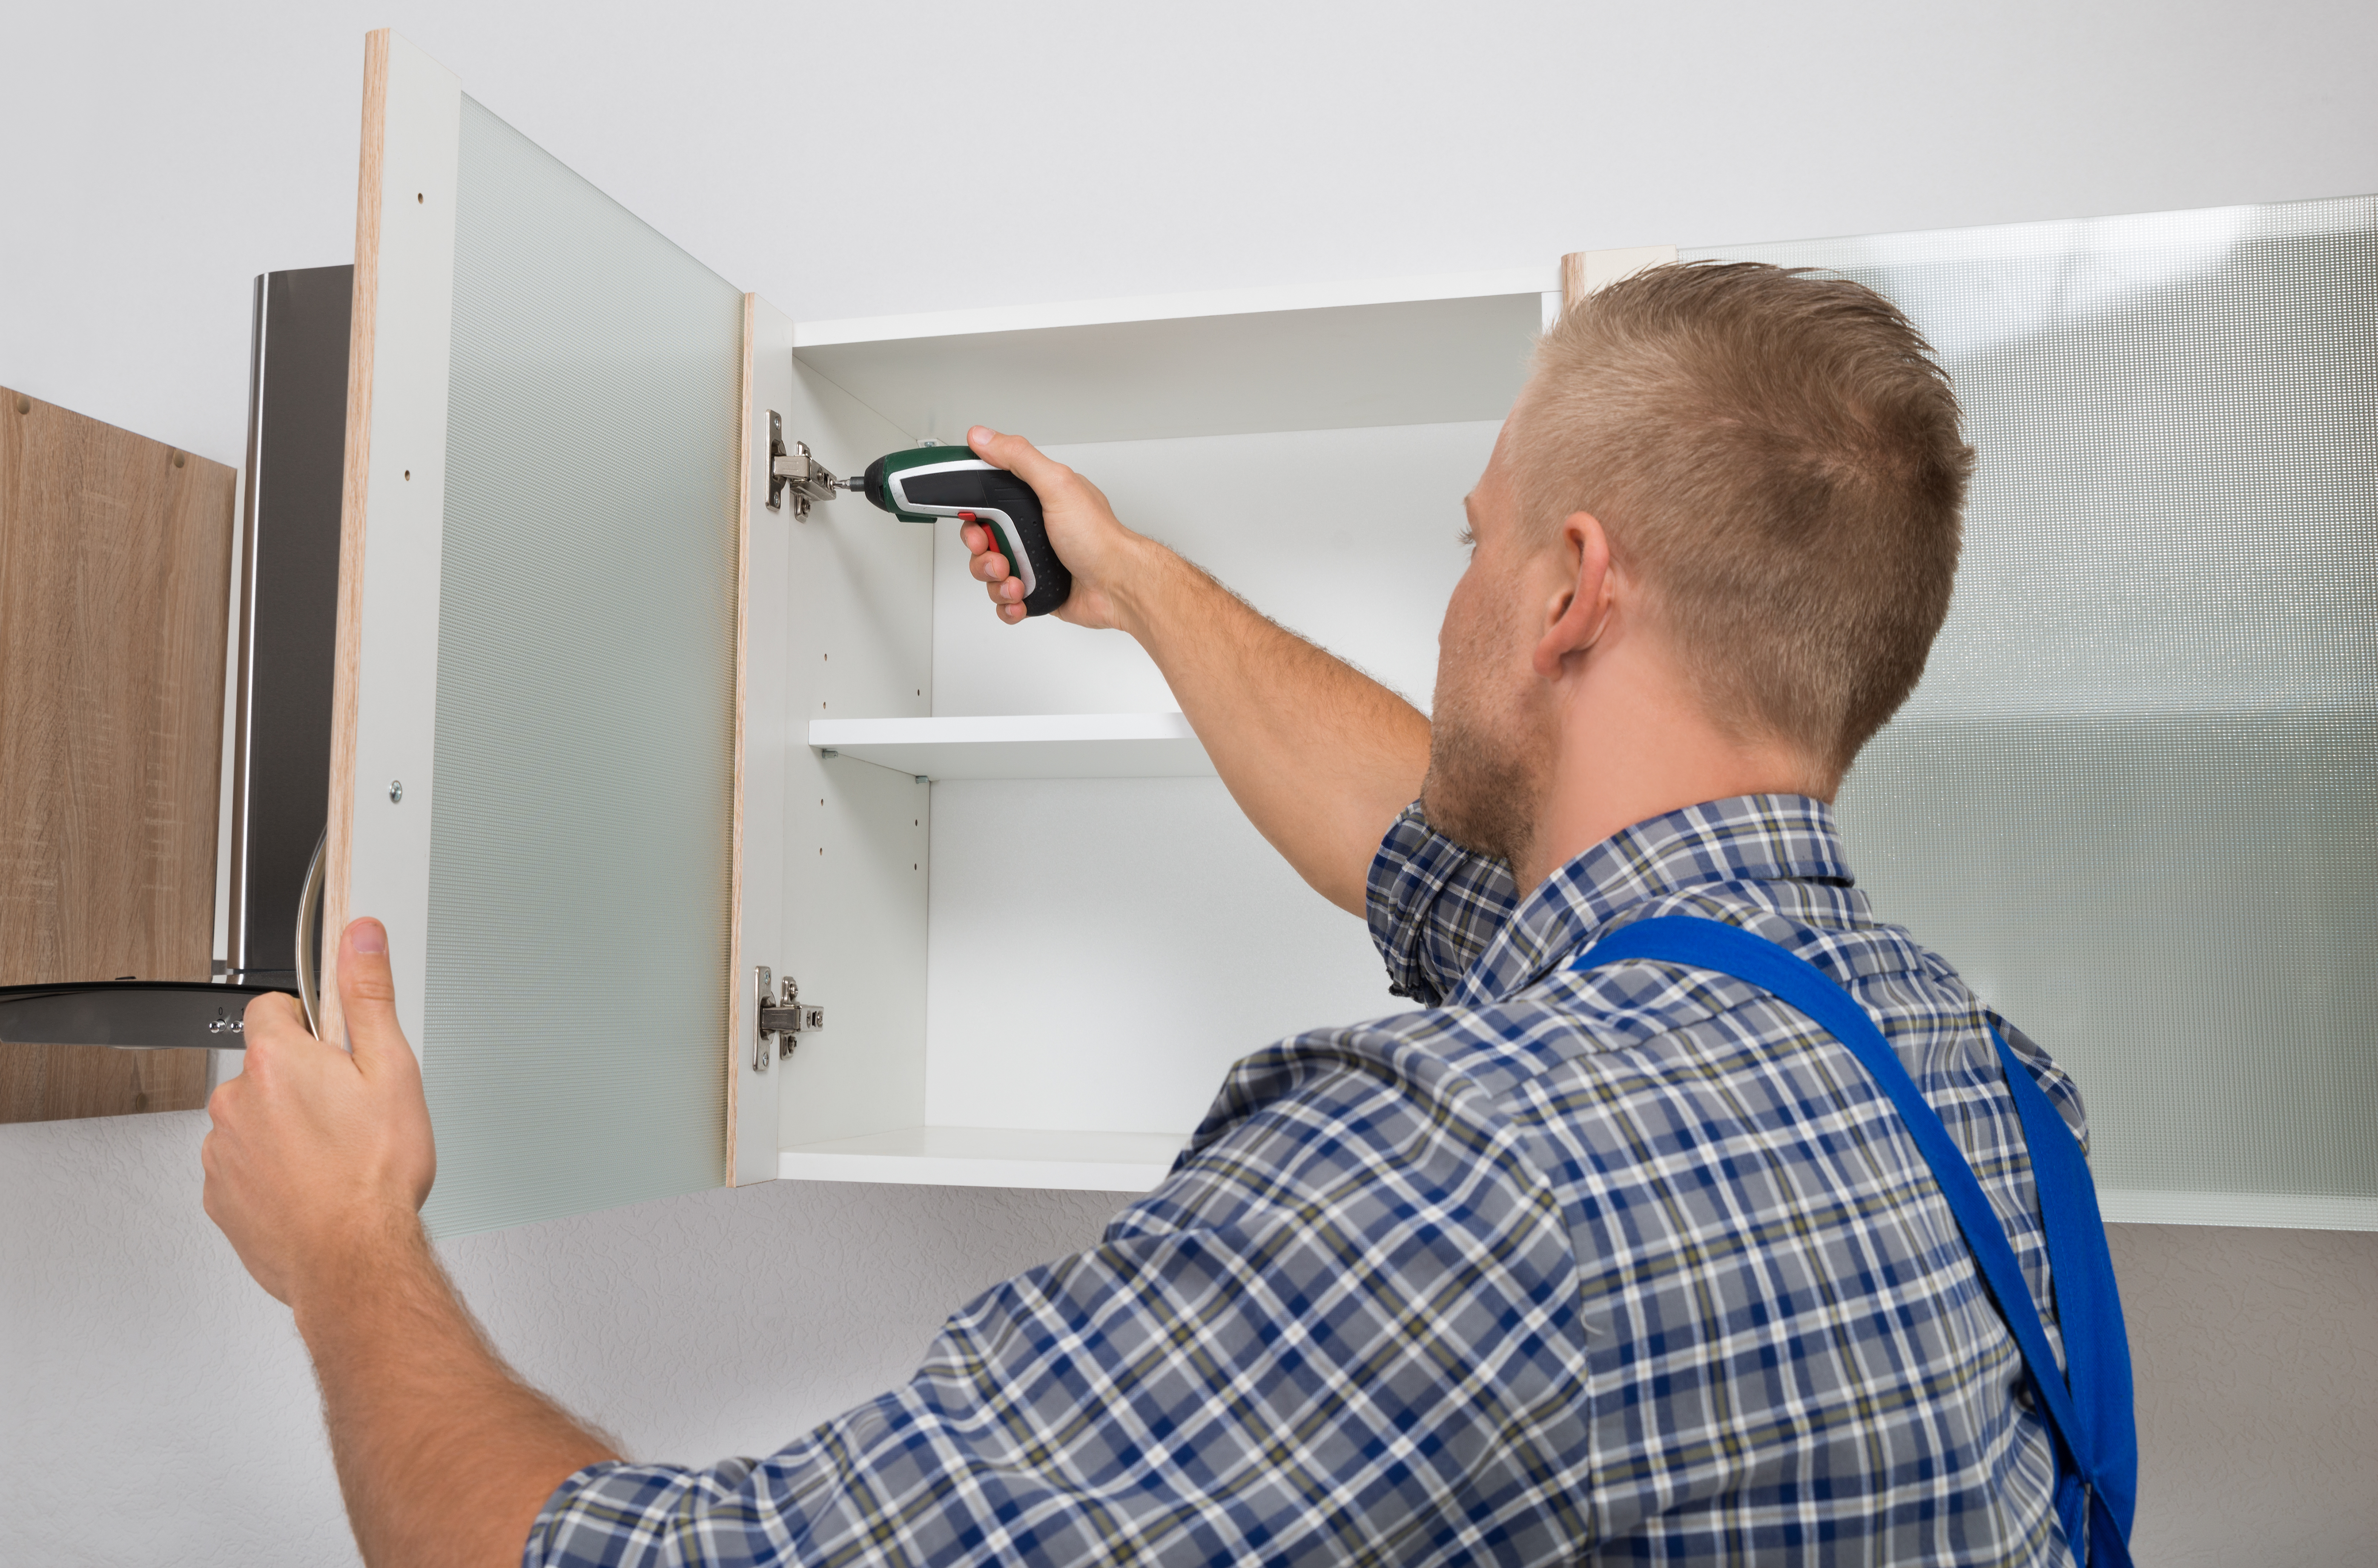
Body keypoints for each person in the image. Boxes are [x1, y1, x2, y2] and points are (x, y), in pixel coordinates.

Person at [203, 261, 2098, 1566]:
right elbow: (1430, 854)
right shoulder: (1975, 1085)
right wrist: (1127, 582)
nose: (1461, 594)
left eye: (1474, 539)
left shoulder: (1467, 1183)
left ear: (1570, 593)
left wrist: (349, 1243)